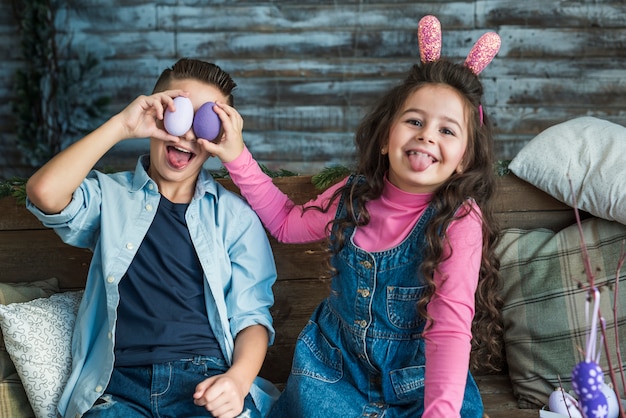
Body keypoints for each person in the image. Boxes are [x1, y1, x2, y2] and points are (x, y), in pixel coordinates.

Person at [202, 16, 504, 417]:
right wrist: (236, 154)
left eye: (447, 130)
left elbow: (449, 330)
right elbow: (284, 223)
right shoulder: (352, 196)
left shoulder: (459, 220)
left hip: (421, 383)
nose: (427, 135)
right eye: (414, 120)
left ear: (464, 159)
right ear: (384, 138)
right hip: (332, 376)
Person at [25, 58, 279, 418]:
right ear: (155, 112)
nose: (187, 134)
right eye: (178, 113)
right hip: (119, 389)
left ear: (218, 137)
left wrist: (237, 381)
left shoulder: (235, 218)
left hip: (205, 380)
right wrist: (121, 125)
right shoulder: (109, 197)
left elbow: (252, 317)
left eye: (203, 122)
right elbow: (44, 193)